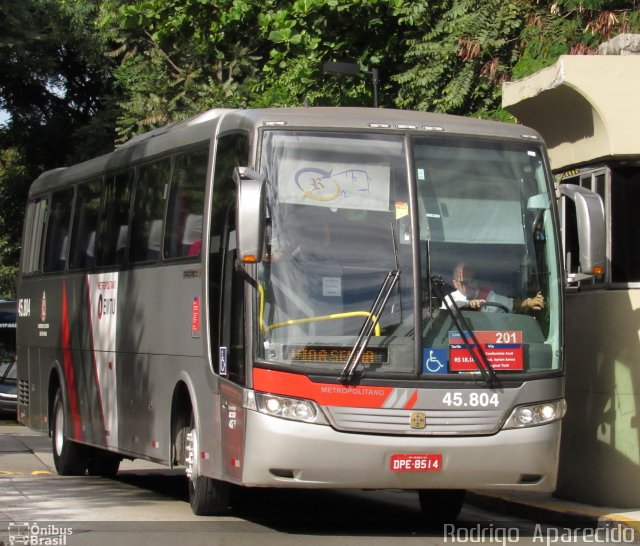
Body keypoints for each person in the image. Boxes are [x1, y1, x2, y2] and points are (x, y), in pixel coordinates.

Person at [445, 263, 544, 313]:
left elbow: (513, 305)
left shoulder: (487, 296)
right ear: (455, 284)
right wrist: (469, 306)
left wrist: (528, 303)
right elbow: (445, 315)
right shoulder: (449, 300)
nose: (470, 284)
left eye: (473, 280)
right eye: (465, 282)